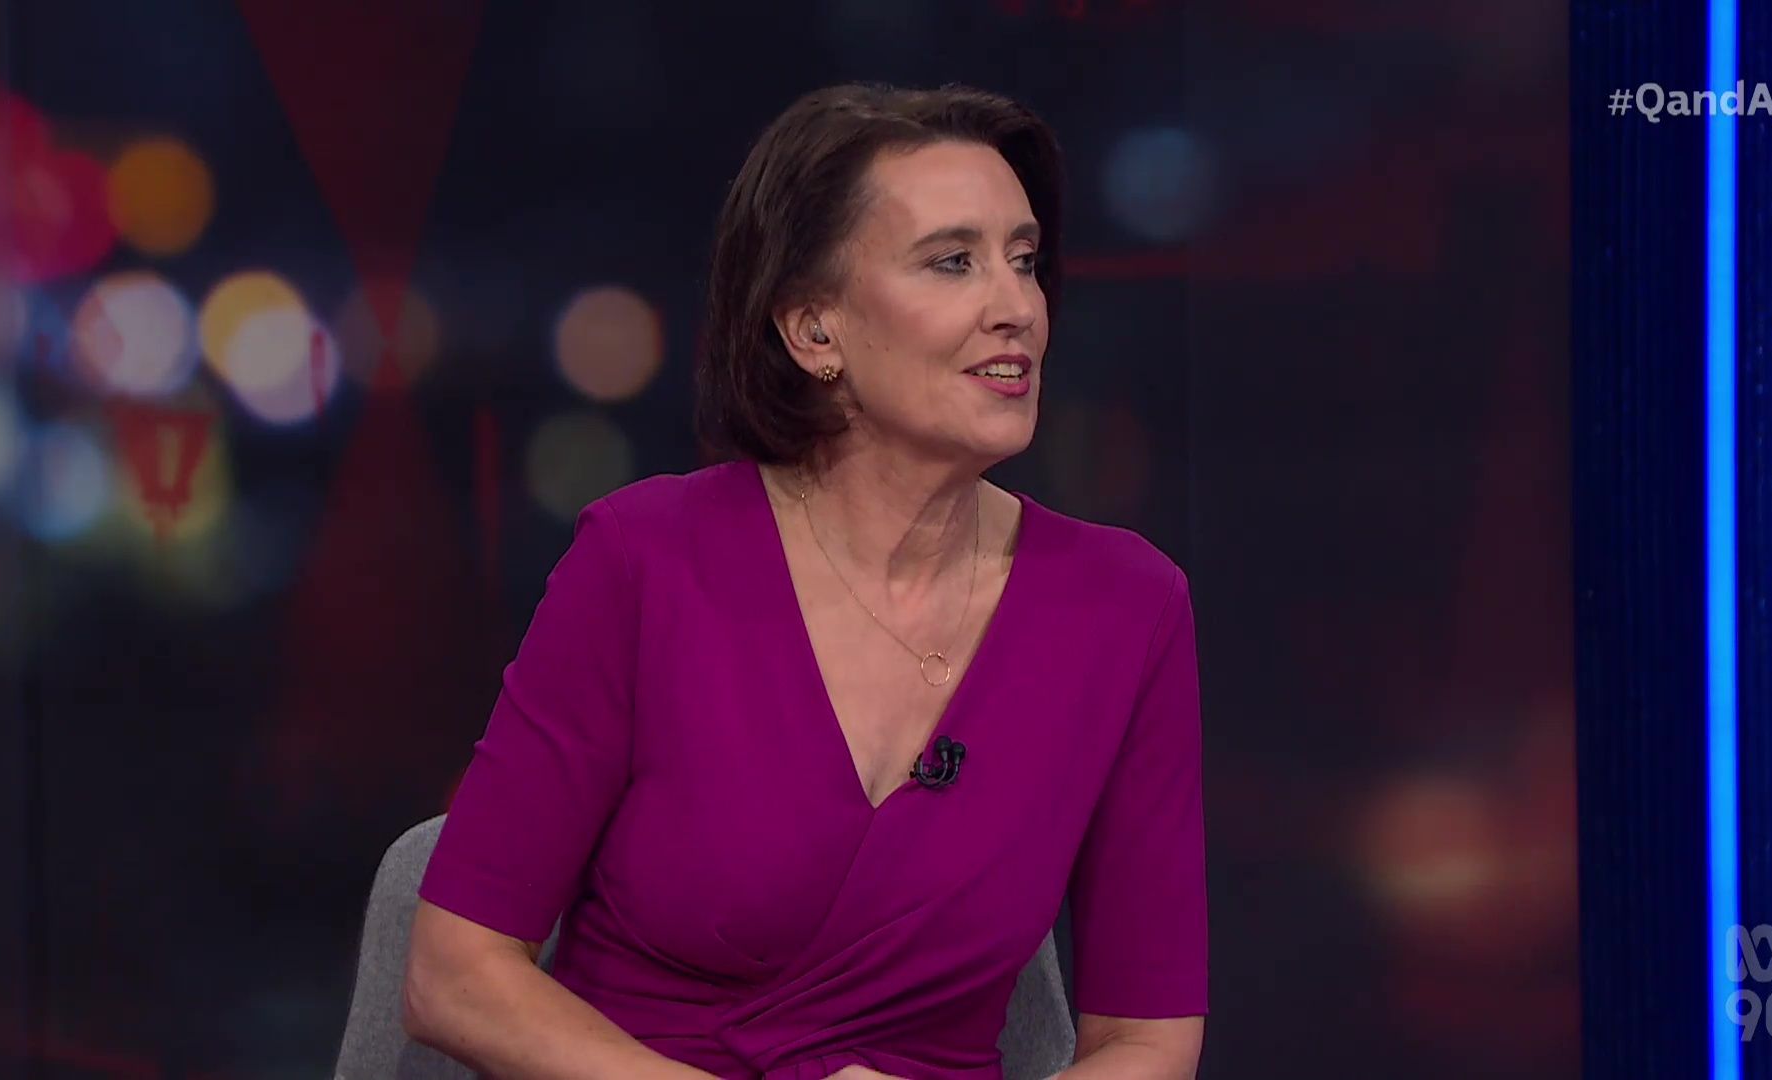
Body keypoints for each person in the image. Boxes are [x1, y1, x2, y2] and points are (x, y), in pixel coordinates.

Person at [401, 82, 1207, 1080]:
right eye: (953, 262)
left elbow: (1148, 1041)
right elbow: (453, 973)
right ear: (813, 330)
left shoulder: (1126, 608)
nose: (1017, 309)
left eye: (1025, 260)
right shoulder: (646, 561)